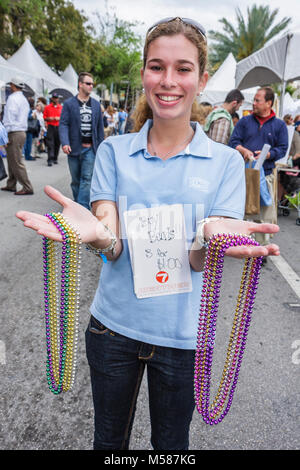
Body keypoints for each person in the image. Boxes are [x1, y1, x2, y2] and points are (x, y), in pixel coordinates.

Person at [16, 18, 280, 450]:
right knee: (109, 442)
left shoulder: (226, 164)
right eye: (157, 67)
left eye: (183, 68)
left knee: (172, 446)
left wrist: (212, 238)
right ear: (143, 74)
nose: (168, 81)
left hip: (183, 338)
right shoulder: (114, 151)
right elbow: (113, 244)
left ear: (202, 79)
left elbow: (197, 262)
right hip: (112, 331)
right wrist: (97, 234)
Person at [229, 86, 288, 248]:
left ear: (268, 103)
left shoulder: (279, 125)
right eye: (254, 100)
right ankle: (237, 242)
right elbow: (233, 142)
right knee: (239, 209)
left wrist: (268, 154)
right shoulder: (244, 121)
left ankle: (261, 247)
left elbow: (283, 148)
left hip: (266, 174)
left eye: (257, 100)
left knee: (263, 212)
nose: (253, 103)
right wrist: (243, 150)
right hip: (243, 174)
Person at [59, 72, 104, 210]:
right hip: (74, 147)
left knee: (87, 179)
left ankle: (82, 208)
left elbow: (99, 128)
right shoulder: (69, 104)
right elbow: (63, 124)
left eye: (92, 84)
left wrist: (102, 148)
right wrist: (65, 142)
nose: (91, 86)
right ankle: (77, 202)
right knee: (76, 181)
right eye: (88, 83)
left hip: (90, 149)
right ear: (80, 84)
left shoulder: (96, 105)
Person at [1, 77, 34, 195]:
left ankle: (27, 186)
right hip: (20, 131)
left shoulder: (12, 98)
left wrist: (5, 134)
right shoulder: (23, 99)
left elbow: (10, 117)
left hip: (14, 131)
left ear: (13, 86)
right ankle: (11, 184)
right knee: (12, 159)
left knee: (16, 160)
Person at [43, 92, 62, 167]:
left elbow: (64, 118)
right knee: (50, 144)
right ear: (52, 98)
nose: (55, 99)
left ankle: (55, 158)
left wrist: (59, 118)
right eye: (54, 98)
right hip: (50, 126)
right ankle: (49, 159)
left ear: (58, 99)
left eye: (56, 98)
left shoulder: (61, 107)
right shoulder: (47, 107)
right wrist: (49, 118)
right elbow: (44, 117)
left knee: (57, 143)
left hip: (58, 127)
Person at [24, 97, 37, 161]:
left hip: (26, 127)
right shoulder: (29, 109)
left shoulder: (26, 108)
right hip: (29, 128)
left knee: (27, 142)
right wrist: (32, 116)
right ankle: (28, 156)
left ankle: (27, 155)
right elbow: (27, 117)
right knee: (29, 142)